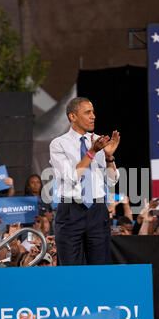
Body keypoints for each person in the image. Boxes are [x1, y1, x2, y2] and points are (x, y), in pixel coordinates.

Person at [49, 97, 120, 265]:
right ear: (72, 116)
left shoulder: (99, 142)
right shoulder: (58, 144)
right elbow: (71, 177)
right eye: (87, 112)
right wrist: (92, 152)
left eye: (93, 112)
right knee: (70, 269)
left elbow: (111, 181)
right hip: (70, 211)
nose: (93, 116)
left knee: (99, 267)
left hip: (97, 210)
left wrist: (109, 156)